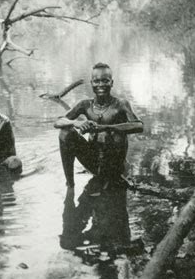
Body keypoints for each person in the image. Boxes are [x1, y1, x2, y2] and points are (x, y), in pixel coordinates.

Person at [54, 62, 143, 191]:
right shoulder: (85, 105)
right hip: (93, 161)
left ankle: (113, 177)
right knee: (65, 133)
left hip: (114, 164)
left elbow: (139, 126)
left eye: (105, 81)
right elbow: (58, 122)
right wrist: (77, 123)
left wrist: (106, 128)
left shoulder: (121, 104)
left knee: (110, 134)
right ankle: (70, 185)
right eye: (97, 81)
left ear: (111, 83)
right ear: (91, 83)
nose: (100, 85)